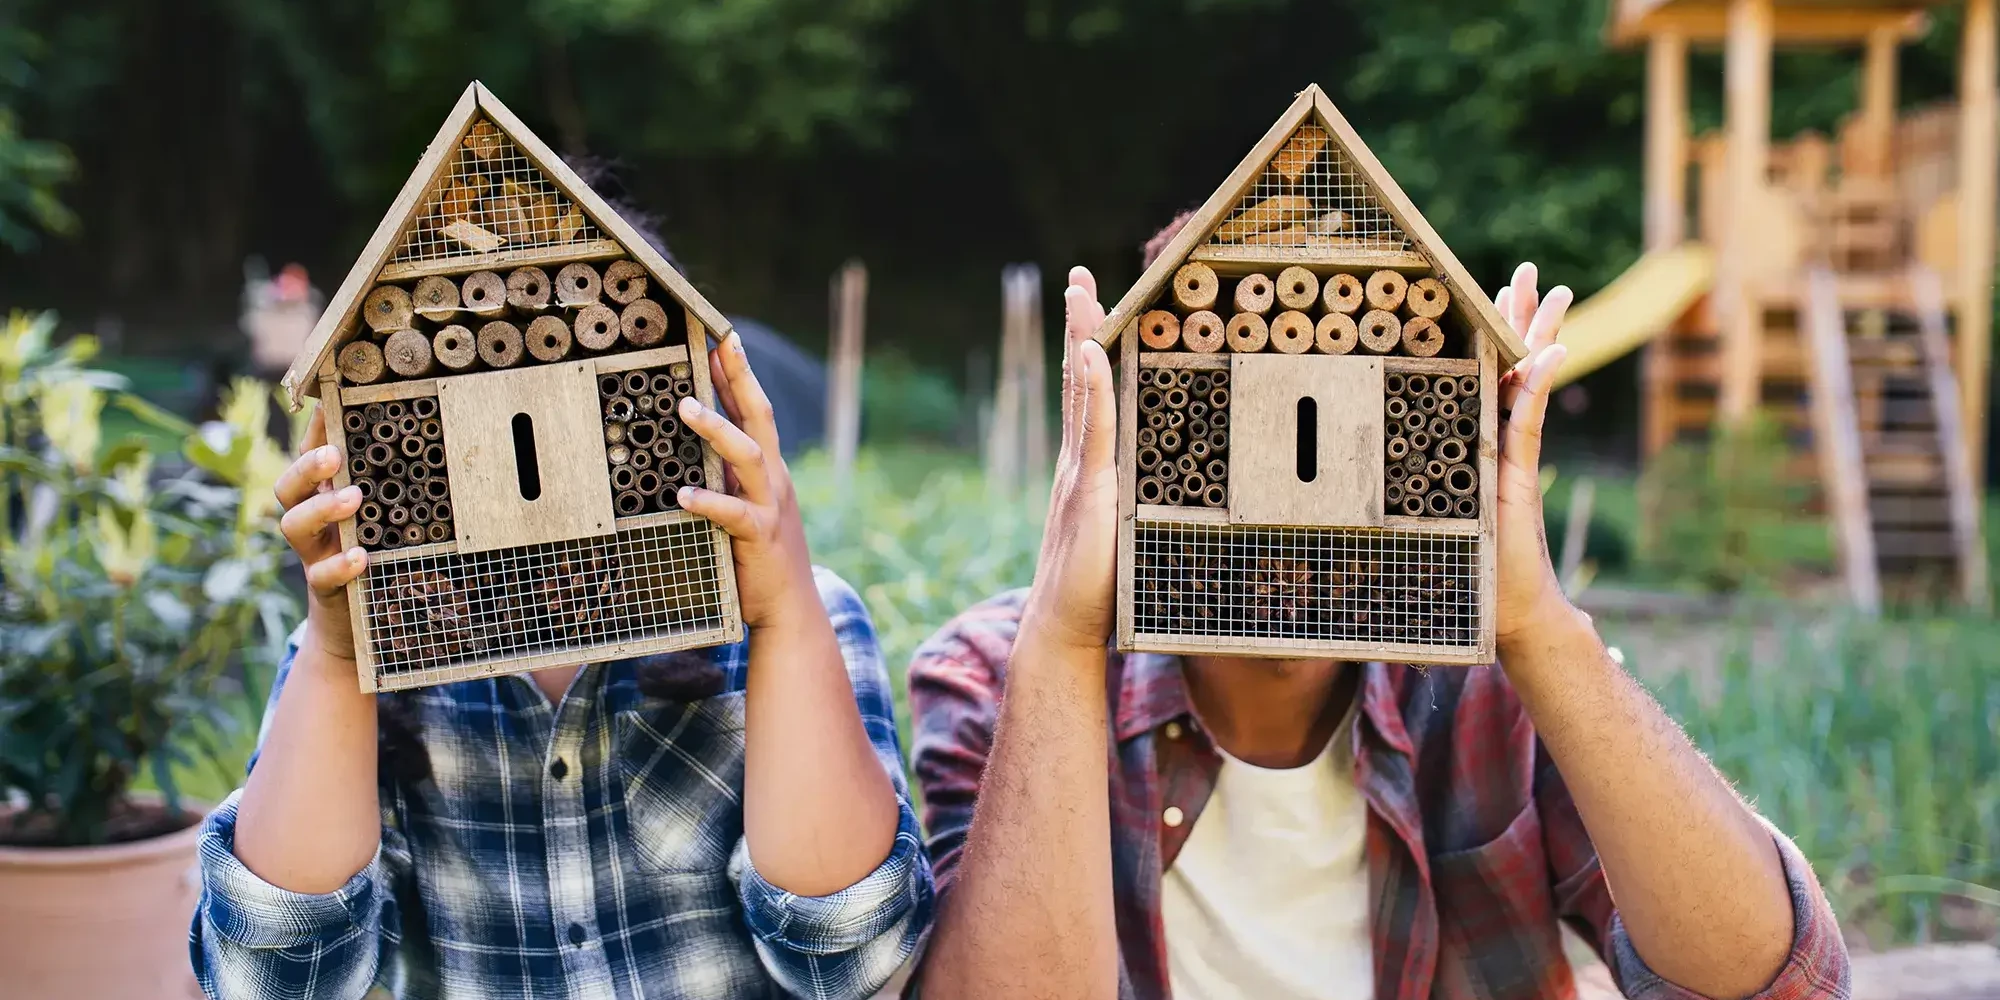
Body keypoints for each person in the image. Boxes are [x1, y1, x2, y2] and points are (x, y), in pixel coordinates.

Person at [905, 248, 1850, 998]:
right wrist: (1067, 639)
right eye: (1219, 423)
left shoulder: (1489, 683)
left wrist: (1537, 628)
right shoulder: (999, 674)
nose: (1288, 511)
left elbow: (1774, 986)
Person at [191, 327, 933, 999]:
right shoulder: (351, 670)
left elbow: (852, 958)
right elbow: (279, 980)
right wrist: (333, 653)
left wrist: (788, 614)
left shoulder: (799, 626)